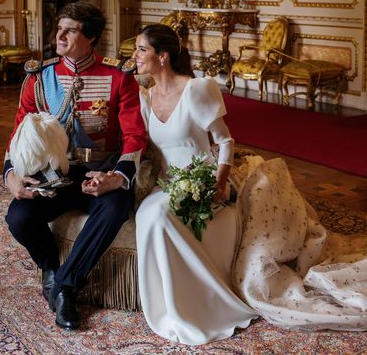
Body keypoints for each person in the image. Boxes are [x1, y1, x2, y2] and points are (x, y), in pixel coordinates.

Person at [133, 24, 367, 345]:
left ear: (163, 56)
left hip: (205, 184)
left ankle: (205, 306)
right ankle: (167, 304)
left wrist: (218, 182)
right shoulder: (144, 99)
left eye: (142, 49)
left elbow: (225, 142)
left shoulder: (196, 90)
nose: (135, 56)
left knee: (160, 216)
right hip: (168, 186)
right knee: (149, 213)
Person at [4, 1, 147, 330]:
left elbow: (135, 136)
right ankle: (52, 272)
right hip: (57, 176)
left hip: (101, 173)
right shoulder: (40, 79)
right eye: (60, 29)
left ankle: (65, 288)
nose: (60, 35)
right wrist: (11, 174)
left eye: (70, 30)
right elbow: (19, 133)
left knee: (114, 209)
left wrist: (118, 178)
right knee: (18, 216)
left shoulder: (118, 78)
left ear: (92, 37)